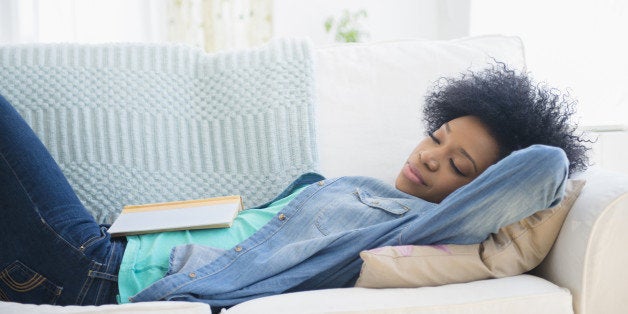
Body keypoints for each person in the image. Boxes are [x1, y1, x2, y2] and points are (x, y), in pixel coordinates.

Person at [0, 64, 588, 308]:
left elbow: (543, 167)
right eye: (437, 136)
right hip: (106, 246)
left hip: (96, 270)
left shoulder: (419, 231)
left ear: (478, 198)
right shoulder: (367, 189)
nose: (432, 159)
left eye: (460, 168)